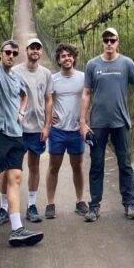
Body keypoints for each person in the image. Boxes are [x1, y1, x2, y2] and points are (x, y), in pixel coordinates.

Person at [79, 26, 134, 222]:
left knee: (125, 165)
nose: (109, 43)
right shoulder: (92, 65)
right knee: (96, 164)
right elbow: (86, 93)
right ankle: (94, 206)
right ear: (103, 42)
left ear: (118, 42)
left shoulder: (126, 63)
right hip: (98, 124)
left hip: (120, 122)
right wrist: (83, 122)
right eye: (106, 40)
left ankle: (130, 204)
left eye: (113, 40)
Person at [0, 30, 43, 251]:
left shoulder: (16, 78)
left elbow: (24, 96)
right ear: (1, 54)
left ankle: (17, 229)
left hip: (15, 134)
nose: (11, 56)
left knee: (15, 178)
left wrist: (22, 113)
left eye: (14, 53)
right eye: (7, 52)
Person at [44, 43, 88, 218]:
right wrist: (47, 119)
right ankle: (50, 204)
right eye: (63, 56)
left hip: (76, 130)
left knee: (77, 166)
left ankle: (79, 201)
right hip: (58, 130)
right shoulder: (53, 79)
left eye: (69, 55)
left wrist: (86, 118)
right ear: (58, 60)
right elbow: (47, 100)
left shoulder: (83, 78)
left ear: (74, 58)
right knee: (54, 166)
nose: (67, 58)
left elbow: (88, 97)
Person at [11, 36, 52, 223]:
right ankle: (4, 208)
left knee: (34, 166)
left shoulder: (46, 74)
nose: (35, 51)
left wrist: (47, 125)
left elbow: (48, 100)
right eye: (31, 48)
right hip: (18, 129)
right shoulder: (14, 71)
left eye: (38, 48)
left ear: (41, 52)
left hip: (37, 129)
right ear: (26, 51)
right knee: (11, 169)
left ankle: (32, 206)